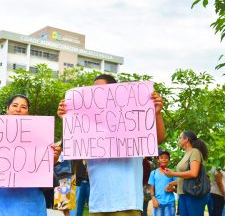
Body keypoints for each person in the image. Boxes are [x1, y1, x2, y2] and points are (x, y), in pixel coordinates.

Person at [57, 74, 166, 216]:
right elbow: (72, 150)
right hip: (98, 203)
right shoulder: (88, 123)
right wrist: (68, 119)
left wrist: (156, 114)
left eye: (102, 90)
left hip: (127, 203)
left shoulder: (132, 117)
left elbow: (159, 138)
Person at [0, 94, 61, 216]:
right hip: (1, 195)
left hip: (30, 197)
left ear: (28, 112)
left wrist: (53, 159)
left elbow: (43, 167)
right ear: (7, 109)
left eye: (23, 107)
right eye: (14, 105)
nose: (18, 109)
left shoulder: (39, 135)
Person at [164, 130, 209, 216]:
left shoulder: (194, 152)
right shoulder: (186, 153)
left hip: (193, 193)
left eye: (180, 138)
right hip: (183, 193)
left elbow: (193, 173)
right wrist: (173, 183)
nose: (179, 140)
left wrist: (172, 173)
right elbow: (186, 177)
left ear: (186, 139)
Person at [148, 150, 176, 216]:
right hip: (158, 202)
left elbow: (178, 188)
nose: (164, 159)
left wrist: (173, 189)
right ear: (158, 160)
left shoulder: (172, 173)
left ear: (169, 160)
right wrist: (153, 198)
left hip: (170, 202)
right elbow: (151, 188)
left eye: (166, 158)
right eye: (161, 157)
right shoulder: (154, 173)